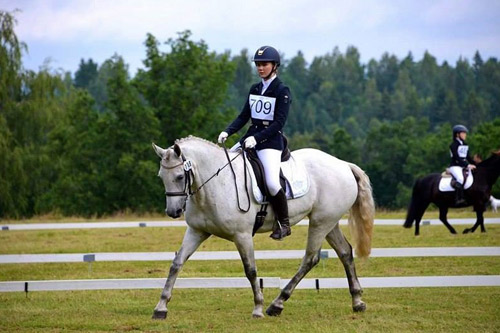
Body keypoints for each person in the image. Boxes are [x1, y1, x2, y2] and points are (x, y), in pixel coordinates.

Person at [218, 46, 292, 240]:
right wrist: (228, 131)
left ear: (274, 66)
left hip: (271, 142)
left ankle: (284, 224)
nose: (260, 68)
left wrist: (257, 138)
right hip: (251, 138)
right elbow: (244, 116)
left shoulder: (282, 90)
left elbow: (278, 123)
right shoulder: (255, 88)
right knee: (227, 164)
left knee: (272, 182)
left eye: (264, 64)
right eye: (258, 65)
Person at [449, 124, 476, 205]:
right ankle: (458, 198)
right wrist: (467, 165)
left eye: (465, 133)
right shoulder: (453, 145)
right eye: (463, 133)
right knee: (460, 178)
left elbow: (468, 157)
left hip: (464, 165)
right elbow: (457, 158)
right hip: (455, 166)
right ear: (457, 134)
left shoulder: (465, 144)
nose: (465, 135)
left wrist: (476, 164)